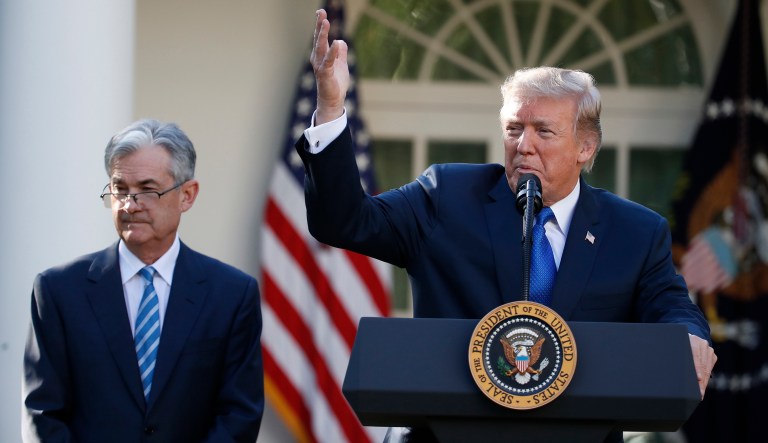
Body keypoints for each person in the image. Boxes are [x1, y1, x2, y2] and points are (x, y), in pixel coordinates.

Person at [297, 9, 717, 442]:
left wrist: (687, 337)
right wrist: (331, 108)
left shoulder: (635, 231)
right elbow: (345, 222)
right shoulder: (447, 195)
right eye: (514, 128)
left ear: (586, 148)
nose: (524, 145)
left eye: (544, 132)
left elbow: (672, 306)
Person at [22, 119, 264, 442]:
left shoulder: (232, 296)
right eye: (120, 190)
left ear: (187, 195)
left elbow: (239, 415)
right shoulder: (58, 292)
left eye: (147, 190)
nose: (129, 205)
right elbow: (42, 413)